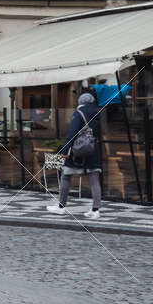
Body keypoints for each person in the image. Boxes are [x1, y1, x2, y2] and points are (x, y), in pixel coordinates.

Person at [48, 84, 104, 219]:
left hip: (78, 150)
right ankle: (95, 210)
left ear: (80, 102)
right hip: (93, 149)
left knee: (66, 176)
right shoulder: (98, 112)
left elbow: (72, 133)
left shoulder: (79, 113)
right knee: (94, 180)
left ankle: (61, 207)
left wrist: (65, 150)